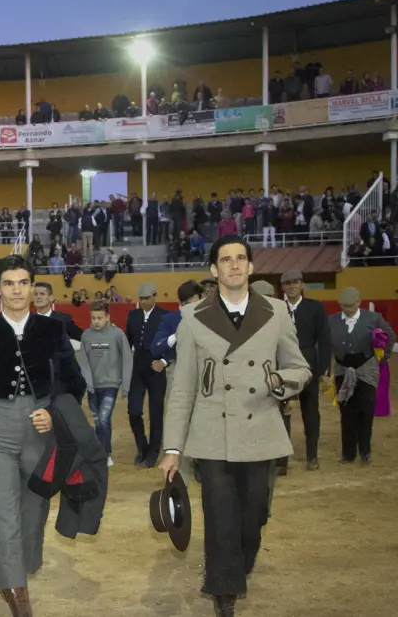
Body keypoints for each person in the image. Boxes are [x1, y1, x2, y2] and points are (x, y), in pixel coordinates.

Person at [159, 235, 311, 617]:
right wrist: (172, 448)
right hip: (213, 433)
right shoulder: (193, 317)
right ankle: (223, 590)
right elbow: (183, 387)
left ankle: (239, 563)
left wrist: (279, 381)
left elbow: (300, 368)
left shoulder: (277, 311)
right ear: (214, 269)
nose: (234, 265)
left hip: (261, 430)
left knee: (254, 516)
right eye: (226, 259)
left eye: (241, 258)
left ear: (251, 266)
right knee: (219, 514)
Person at [0, 255, 87, 615]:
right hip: (0, 429)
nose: (16, 290)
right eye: (9, 283)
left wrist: (53, 412)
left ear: (33, 287)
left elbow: (75, 382)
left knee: (34, 511)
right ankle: (16, 590)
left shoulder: (53, 329)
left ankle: (18, 569)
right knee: (1, 511)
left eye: (23, 282)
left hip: (41, 429)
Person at [328, 287, 395, 464]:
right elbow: (325, 344)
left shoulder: (373, 318)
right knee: (346, 412)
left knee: (366, 410)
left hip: (367, 369)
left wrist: (382, 358)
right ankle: (348, 454)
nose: (348, 309)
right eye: (344, 306)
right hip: (342, 370)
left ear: (359, 302)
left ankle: (365, 451)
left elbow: (390, 337)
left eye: (351, 305)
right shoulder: (331, 321)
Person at [279, 270, 332, 472]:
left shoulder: (315, 307)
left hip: (309, 366)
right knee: (283, 412)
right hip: (284, 367)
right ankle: (282, 462)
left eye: (295, 282)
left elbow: (325, 340)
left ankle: (312, 456)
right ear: (283, 287)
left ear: (302, 284)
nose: (292, 286)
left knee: (310, 412)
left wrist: (324, 370)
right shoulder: (277, 307)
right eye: (288, 283)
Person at [78, 300, 132, 466]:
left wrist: (125, 386)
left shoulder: (117, 334)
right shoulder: (86, 336)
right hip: (92, 386)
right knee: (97, 421)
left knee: (103, 419)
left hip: (110, 384)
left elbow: (127, 359)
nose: (96, 321)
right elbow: (83, 362)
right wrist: (88, 383)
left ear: (108, 317)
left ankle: (106, 454)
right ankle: (99, 453)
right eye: (93, 318)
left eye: (100, 318)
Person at [125, 282, 171, 467]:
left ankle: (152, 454)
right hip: (137, 368)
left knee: (156, 412)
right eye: (141, 299)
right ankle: (142, 447)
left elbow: (174, 342)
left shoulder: (165, 316)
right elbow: (127, 342)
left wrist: (165, 361)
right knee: (134, 411)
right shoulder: (133, 315)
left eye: (147, 298)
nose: (143, 302)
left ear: (154, 296)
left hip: (156, 369)